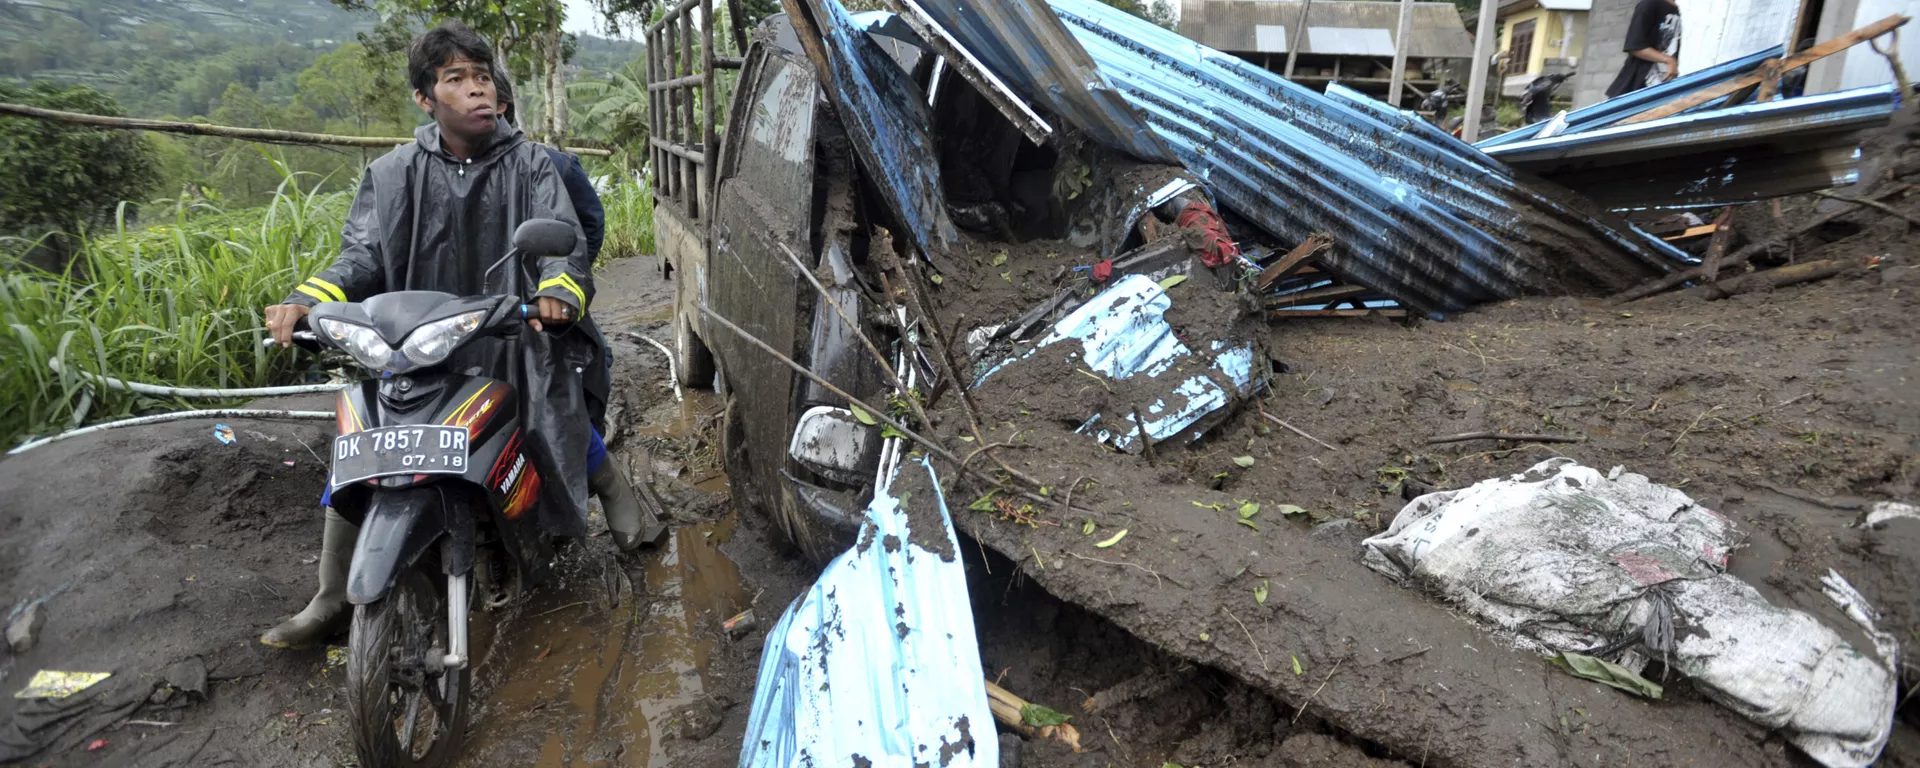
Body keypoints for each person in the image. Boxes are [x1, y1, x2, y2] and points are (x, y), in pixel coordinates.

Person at [258, 22, 659, 650]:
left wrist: (557, 293)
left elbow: (569, 244)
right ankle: (332, 594)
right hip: (416, 344)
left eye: (481, 76)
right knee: (362, 440)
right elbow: (359, 256)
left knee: (551, 420)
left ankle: (614, 497)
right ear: (425, 98)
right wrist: (307, 299)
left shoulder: (536, 165)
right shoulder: (391, 175)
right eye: (455, 79)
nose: (476, 90)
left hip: (512, 336)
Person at [1606, 0, 1681, 98]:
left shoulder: (1680, 10)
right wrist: (1669, 60)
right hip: (1637, 88)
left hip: (1664, 87)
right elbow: (1635, 45)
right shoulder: (1649, 4)